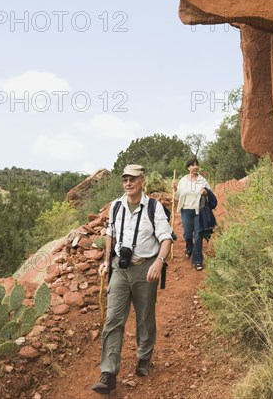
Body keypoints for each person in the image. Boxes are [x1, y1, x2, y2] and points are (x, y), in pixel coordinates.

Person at [92, 164, 172, 395]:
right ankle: (108, 372)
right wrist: (107, 260)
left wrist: (159, 262)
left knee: (145, 316)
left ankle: (144, 357)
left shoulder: (154, 208)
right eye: (125, 179)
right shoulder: (116, 206)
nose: (128, 183)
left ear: (142, 181)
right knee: (113, 319)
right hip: (119, 268)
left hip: (145, 268)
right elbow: (110, 234)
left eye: (133, 179)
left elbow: (166, 238)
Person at [173, 157, 210, 271]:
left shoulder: (202, 180)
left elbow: (210, 194)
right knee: (188, 234)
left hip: (199, 210)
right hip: (186, 210)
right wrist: (175, 189)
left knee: (198, 236)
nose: (195, 167)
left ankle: (198, 260)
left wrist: (205, 193)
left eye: (196, 164)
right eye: (192, 165)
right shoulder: (183, 180)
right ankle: (189, 248)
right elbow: (178, 196)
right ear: (188, 167)